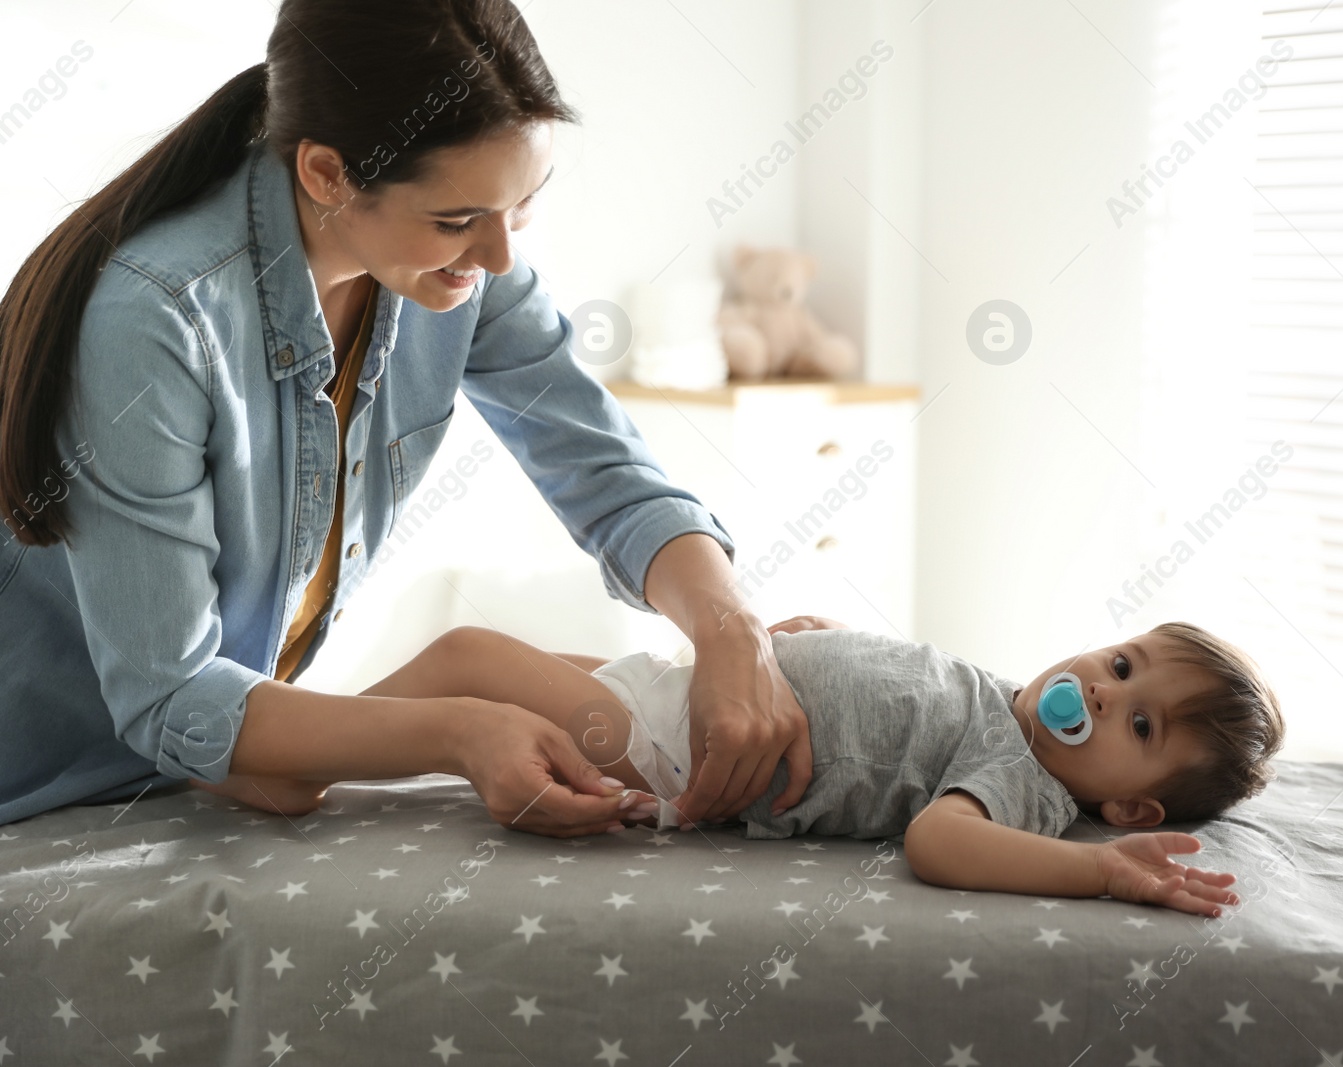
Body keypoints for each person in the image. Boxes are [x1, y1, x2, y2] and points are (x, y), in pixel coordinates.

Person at [0, 0, 813, 834]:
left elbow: (608, 475)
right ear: (326, 174)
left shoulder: (464, 271)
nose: (500, 257)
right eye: (457, 220)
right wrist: (459, 730)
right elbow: (172, 698)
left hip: (199, 768)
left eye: (523, 204)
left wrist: (731, 629)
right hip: (48, 788)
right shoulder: (160, 320)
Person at [266, 615, 1286, 918]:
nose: (1103, 690)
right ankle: (305, 735)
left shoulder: (1020, 777)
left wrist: (1102, 867)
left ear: (1128, 798)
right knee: (530, 664)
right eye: (1118, 663)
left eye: (1139, 722)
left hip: (678, 747)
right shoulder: (1002, 696)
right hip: (683, 689)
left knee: (464, 657)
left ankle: (287, 751)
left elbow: (939, 840)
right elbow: (895, 690)